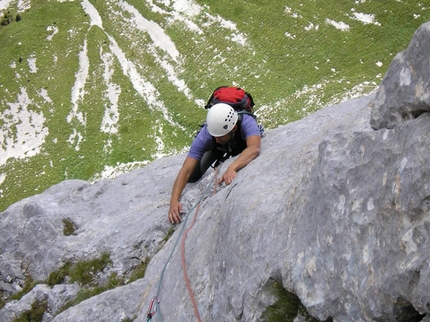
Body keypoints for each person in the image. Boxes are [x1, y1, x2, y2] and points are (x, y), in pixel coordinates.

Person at [168, 103, 261, 224]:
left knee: (242, 150)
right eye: (214, 136)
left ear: (233, 128)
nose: (216, 140)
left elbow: (254, 148)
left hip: (240, 144)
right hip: (217, 150)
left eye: (220, 137)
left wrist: (232, 167)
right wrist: (174, 201)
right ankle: (220, 150)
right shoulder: (206, 134)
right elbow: (186, 170)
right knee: (192, 176)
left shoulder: (246, 122)